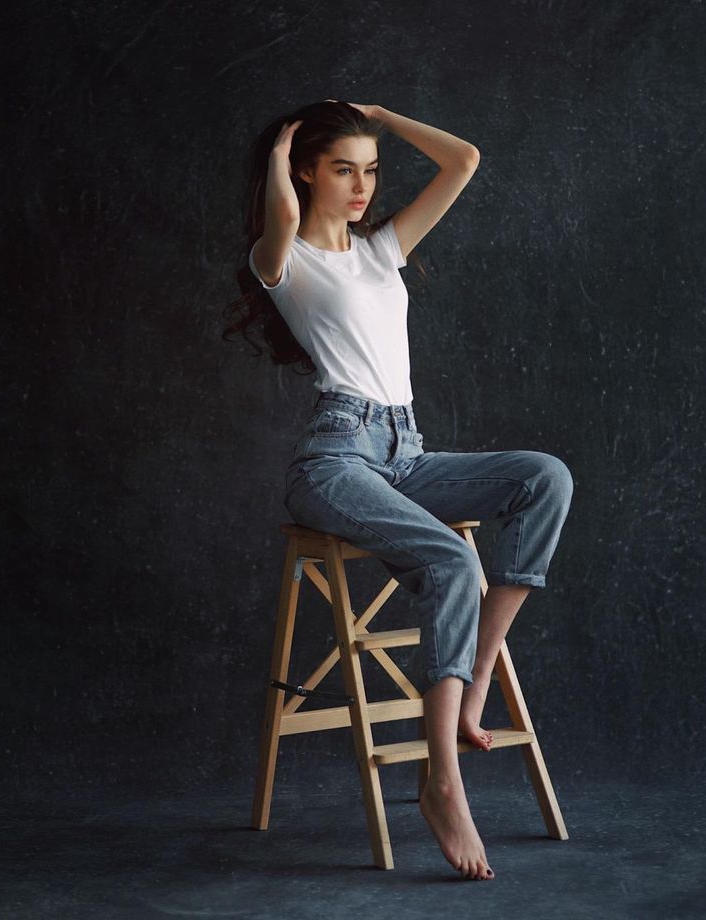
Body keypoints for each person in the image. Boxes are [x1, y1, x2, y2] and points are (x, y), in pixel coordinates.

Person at [226, 100, 574, 881]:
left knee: (543, 477)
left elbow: (464, 160)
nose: (361, 186)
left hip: (406, 450)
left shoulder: (381, 251)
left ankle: (476, 680)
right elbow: (282, 219)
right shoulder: (277, 259)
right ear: (306, 171)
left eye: (370, 170)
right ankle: (441, 780)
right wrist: (281, 162)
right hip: (336, 461)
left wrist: (382, 115)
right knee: (451, 562)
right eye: (343, 168)